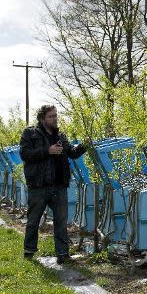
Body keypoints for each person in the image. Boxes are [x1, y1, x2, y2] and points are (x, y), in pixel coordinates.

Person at [19, 104, 87, 264]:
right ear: (42, 119)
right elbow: (25, 154)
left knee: (61, 221)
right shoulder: (30, 133)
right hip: (39, 185)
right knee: (33, 220)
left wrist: (85, 144)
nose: (55, 118)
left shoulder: (61, 136)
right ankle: (29, 252)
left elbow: (73, 153)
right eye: (51, 116)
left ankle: (62, 254)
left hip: (59, 185)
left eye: (56, 115)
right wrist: (47, 151)